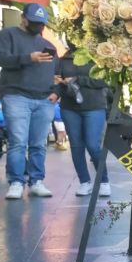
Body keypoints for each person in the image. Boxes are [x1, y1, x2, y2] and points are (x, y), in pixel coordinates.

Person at [0, 3, 58, 200]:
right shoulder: (7, 35)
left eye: (42, 24)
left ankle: (36, 181)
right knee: (18, 142)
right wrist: (28, 58)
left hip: (44, 99)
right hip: (16, 95)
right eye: (35, 22)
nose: (39, 27)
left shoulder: (49, 46)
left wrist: (55, 92)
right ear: (24, 18)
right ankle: (16, 182)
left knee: (39, 144)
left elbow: (56, 73)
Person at [57, 43, 112, 197]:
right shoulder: (63, 60)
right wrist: (58, 86)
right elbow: (57, 82)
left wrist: (78, 80)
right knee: (76, 146)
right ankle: (84, 182)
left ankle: (104, 181)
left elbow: (105, 81)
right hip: (69, 107)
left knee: (93, 145)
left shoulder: (98, 56)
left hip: (94, 106)